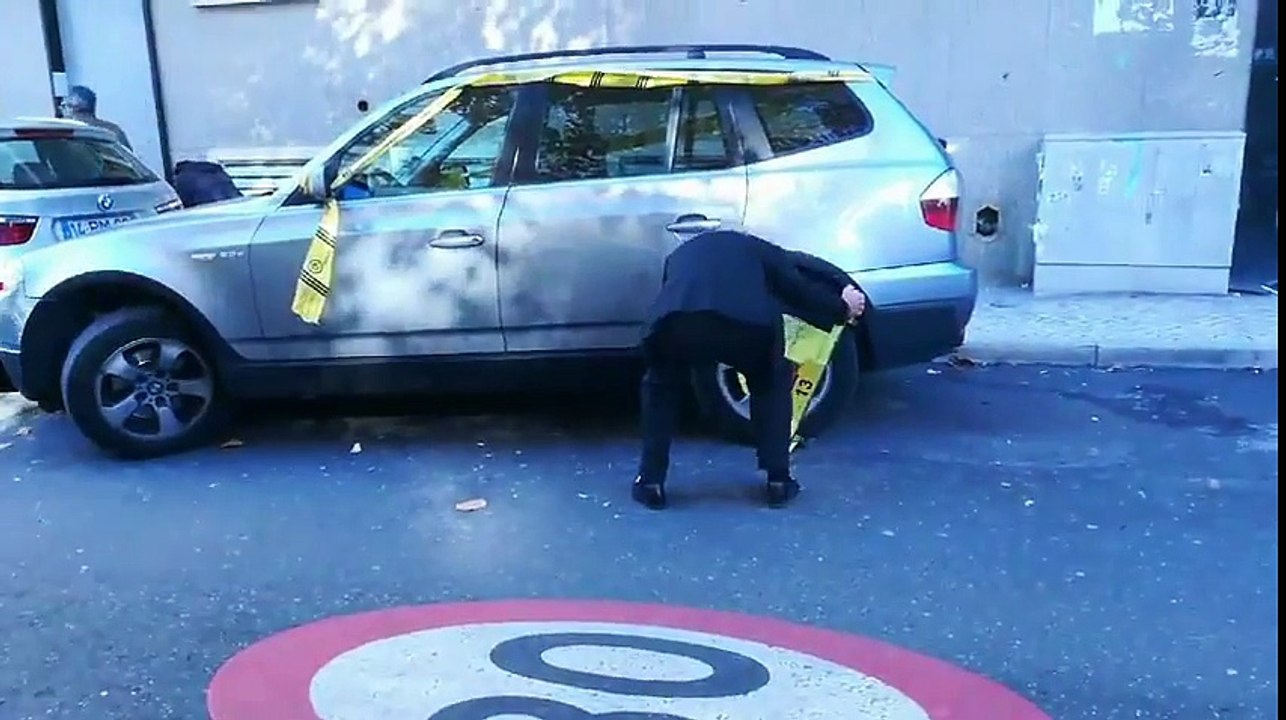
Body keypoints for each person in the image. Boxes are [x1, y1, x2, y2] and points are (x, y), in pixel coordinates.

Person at [633, 230, 867, 510]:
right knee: (770, 382)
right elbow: (797, 289)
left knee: (661, 387)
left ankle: (650, 482)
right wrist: (842, 307)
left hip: (674, 321)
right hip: (746, 326)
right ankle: (778, 480)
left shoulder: (678, 255)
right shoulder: (763, 250)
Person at [60, 85, 133, 150]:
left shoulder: (64, 134)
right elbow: (130, 160)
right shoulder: (113, 130)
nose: (60, 109)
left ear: (71, 108)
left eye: (63, 106)